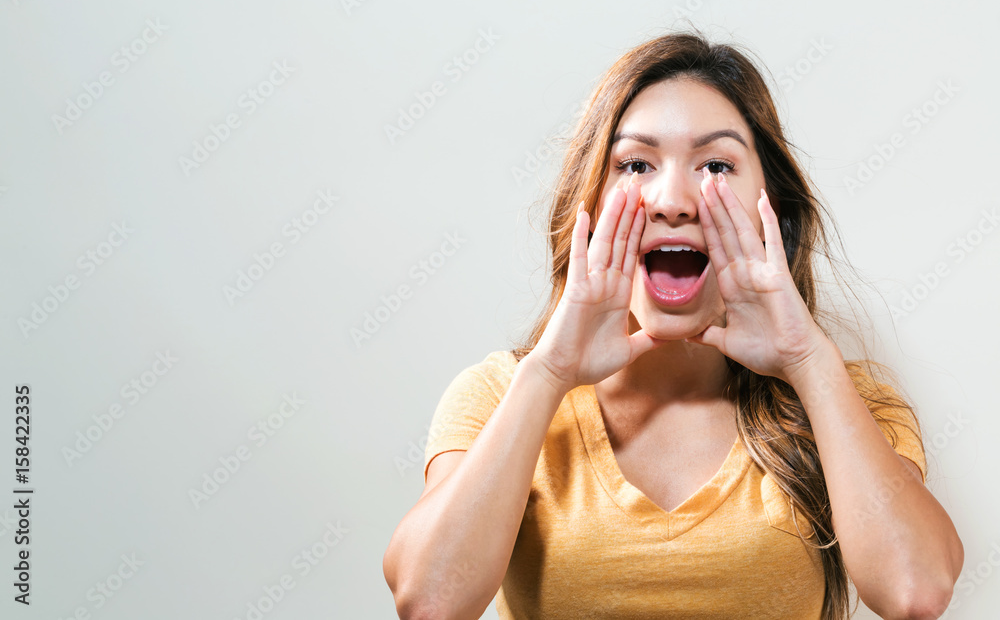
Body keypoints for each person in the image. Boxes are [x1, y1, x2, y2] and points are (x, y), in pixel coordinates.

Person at [382, 30, 964, 620]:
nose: (673, 200)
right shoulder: (497, 396)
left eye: (716, 165)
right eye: (635, 164)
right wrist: (549, 373)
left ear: (773, 211)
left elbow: (914, 593)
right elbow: (430, 601)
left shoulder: (851, 401)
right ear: (590, 202)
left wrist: (809, 364)